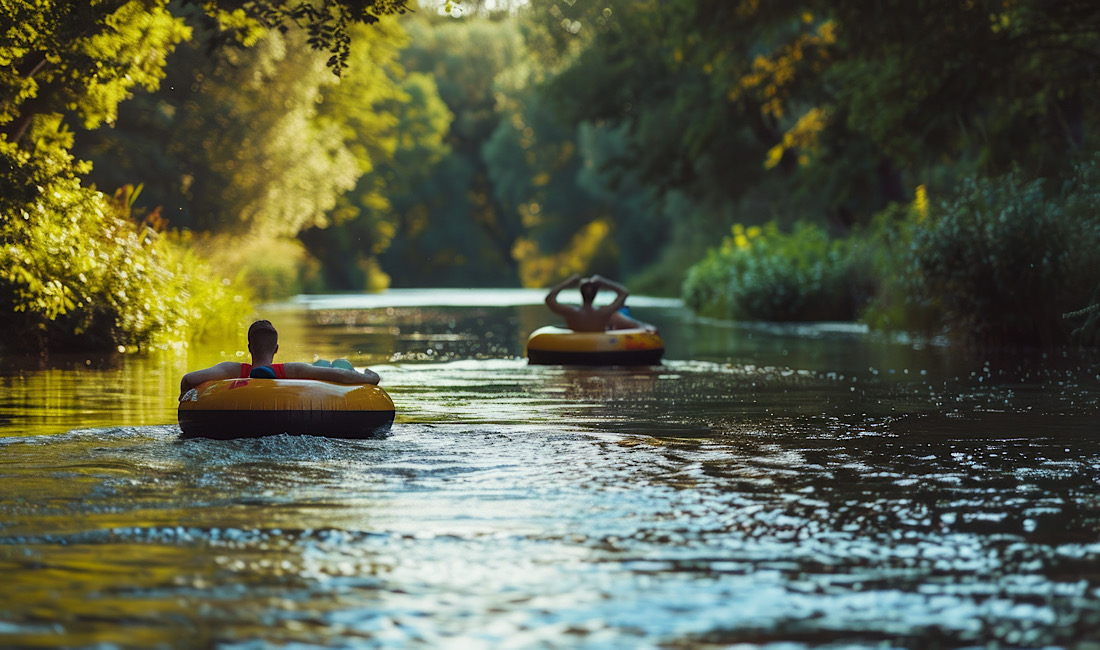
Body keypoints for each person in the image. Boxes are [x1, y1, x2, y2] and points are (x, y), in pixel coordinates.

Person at [178, 320, 380, 400]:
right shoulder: (292, 371)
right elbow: (340, 375)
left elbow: (188, 379)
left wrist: (186, 401)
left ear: (249, 348)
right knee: (335, 364)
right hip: (310, 374)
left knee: (323, 365)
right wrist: (371, 378)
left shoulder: (231, 370)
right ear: (276, 349)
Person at [544, 273, 658, 333]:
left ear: (581, 293)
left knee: (618, 316)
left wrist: (569, 282)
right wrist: (602, 281)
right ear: (595, 294)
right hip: (606, 329)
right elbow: (624, 293)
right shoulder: (604, 313)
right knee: (619, 314)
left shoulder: (571, 313)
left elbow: (549, 299)